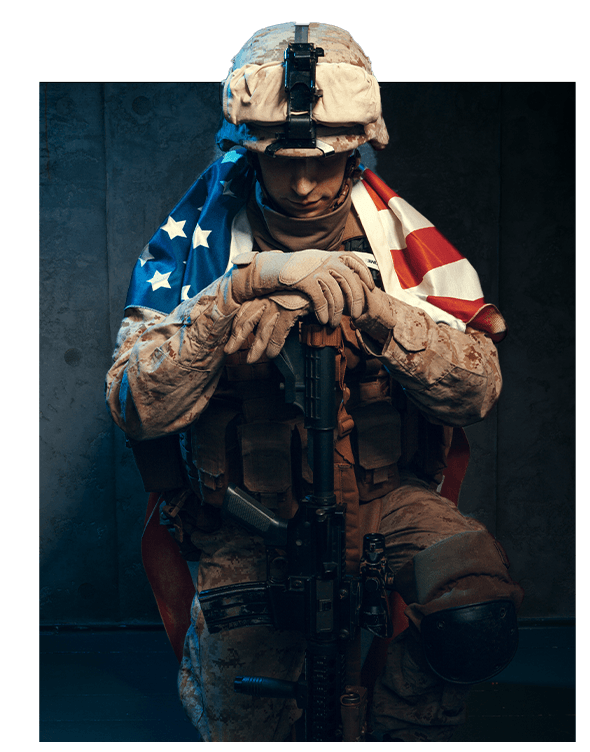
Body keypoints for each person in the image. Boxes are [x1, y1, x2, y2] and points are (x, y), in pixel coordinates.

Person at [105, 22, 523, 742]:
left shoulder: (401, 260)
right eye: (281, 165)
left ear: (356, 161)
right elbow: (134, 407)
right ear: (247, 158)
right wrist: (234, 296)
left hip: (388, 502)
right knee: (250, 717)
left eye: (324, 166)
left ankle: (394, 722)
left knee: (474, 611)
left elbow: (476, 393)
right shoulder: (192, 263)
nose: (302, 185)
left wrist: (383, 313)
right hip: (247, 521)